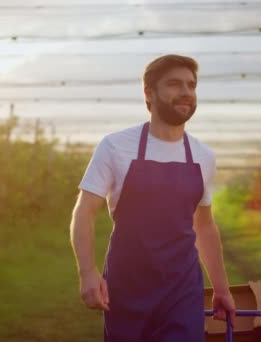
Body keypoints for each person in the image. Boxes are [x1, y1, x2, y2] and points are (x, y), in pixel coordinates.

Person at [70, 54, 235, 341]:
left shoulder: (203, 156)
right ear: (149, 92)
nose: (186, 92)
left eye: (192, 85)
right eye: (174, 84)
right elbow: (84, 211)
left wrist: (221, 289)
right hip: (127, 284)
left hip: (182, 287)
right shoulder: (115, 146)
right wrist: (88, 272)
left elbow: (204, 226)